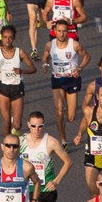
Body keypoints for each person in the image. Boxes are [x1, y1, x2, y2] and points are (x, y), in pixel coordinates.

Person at [43, 18, 91, 147]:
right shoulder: (50, 45)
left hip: (71, 80)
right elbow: (45, 55)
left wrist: (79, 68)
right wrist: (45, 64)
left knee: (70, 117)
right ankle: (63, 140)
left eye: (64, 31)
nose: (61, 34)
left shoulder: (74, 45)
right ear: (54, 31)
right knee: (59, 111)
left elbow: (87, 56)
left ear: (68, 32)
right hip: (57, 79)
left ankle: (66, 116)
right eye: (59, 31)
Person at [0, 25, 39, 137]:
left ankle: (15, 136)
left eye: (10, 37)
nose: (7, 40)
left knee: (17, 125)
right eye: (5, 37)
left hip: (16, 88)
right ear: (1, 38)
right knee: (7, 123)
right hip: (3, 88)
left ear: (14, 38)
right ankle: (7, 147)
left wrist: (21, 71)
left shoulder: (20, 52)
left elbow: (33, 69)